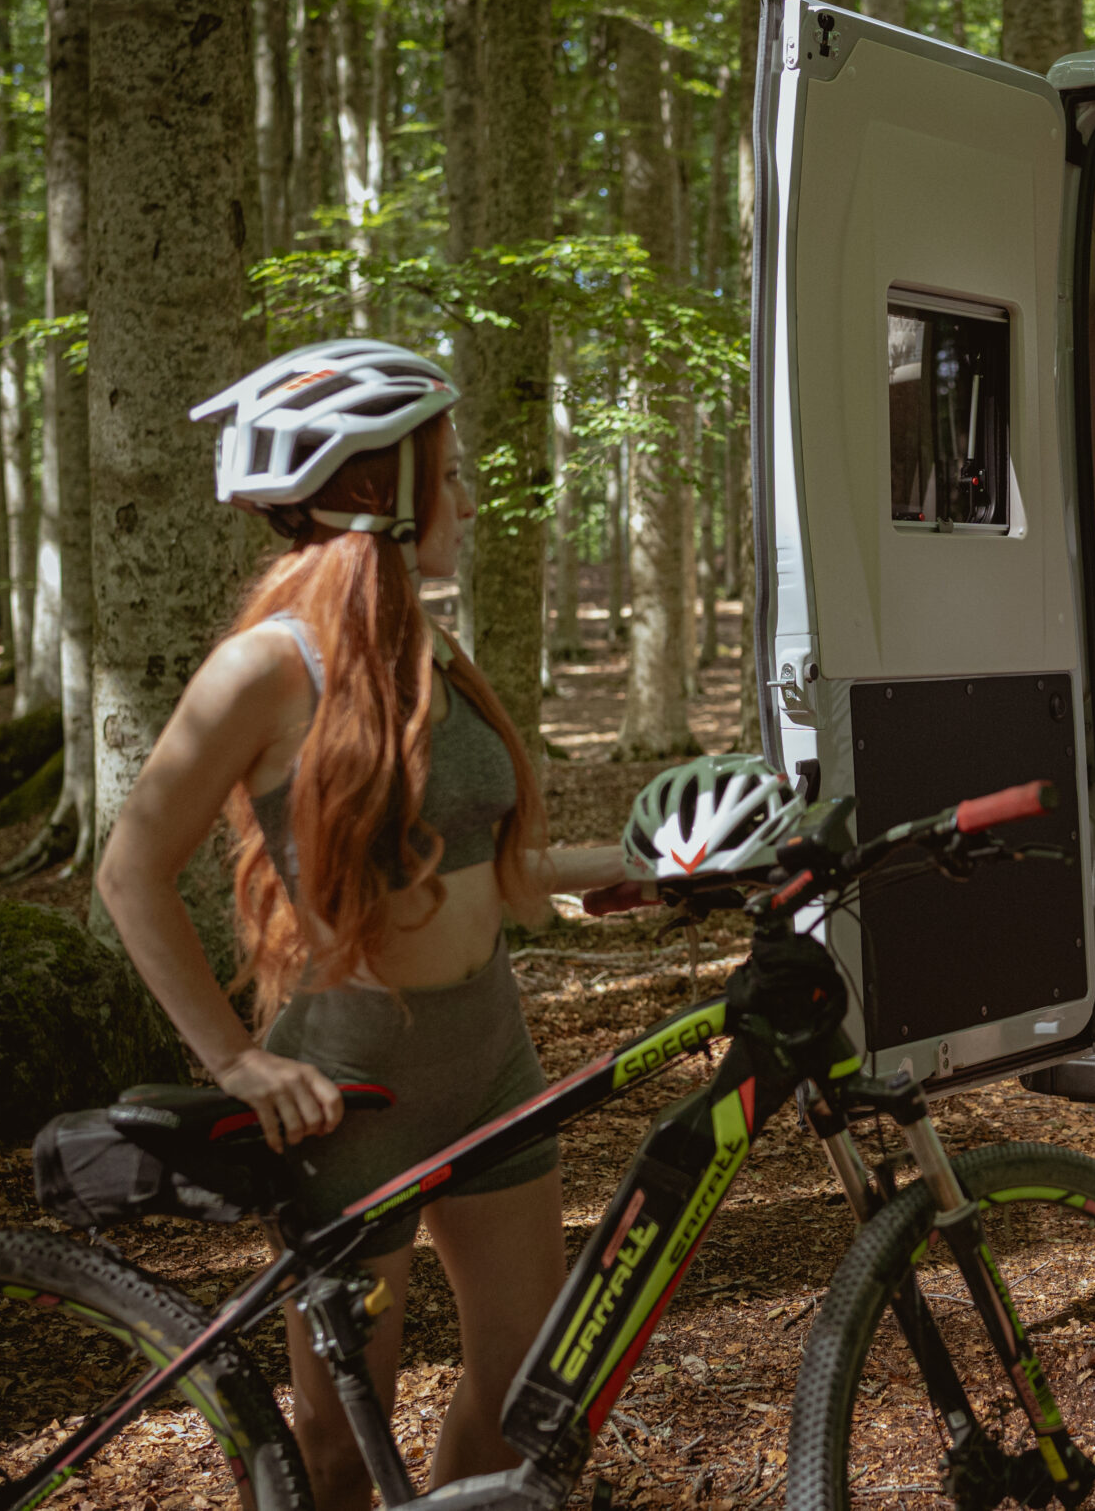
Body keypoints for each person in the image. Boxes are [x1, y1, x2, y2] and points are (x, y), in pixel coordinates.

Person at [97, 340, 642, 1508]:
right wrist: (236, 1060)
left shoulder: (431, 649)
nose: (466, 497)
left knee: (522, 1385)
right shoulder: (264, 669)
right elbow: (131, 870)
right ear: (368, 490)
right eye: (445, 473)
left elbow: (475, 871)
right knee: (340, 1442)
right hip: (352, 1086)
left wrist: (638, 866)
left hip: (489, 1056)